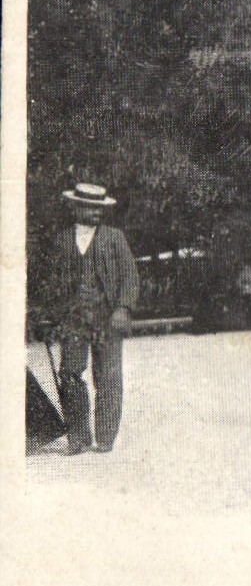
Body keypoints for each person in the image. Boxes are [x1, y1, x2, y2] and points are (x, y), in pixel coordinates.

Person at [43, 183, 139, 455]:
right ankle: (78, 436)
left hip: (107, 317)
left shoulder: (114, 238)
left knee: (108, 375)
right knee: (70, 373)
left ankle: (105, 438)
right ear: (75, 208)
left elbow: (130, 277)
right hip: (73, 319)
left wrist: (123, 308)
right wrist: (51, 318)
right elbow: (53, 284)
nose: (96, 212)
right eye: (90, 207)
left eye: (100, 208)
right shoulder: (62, 240)